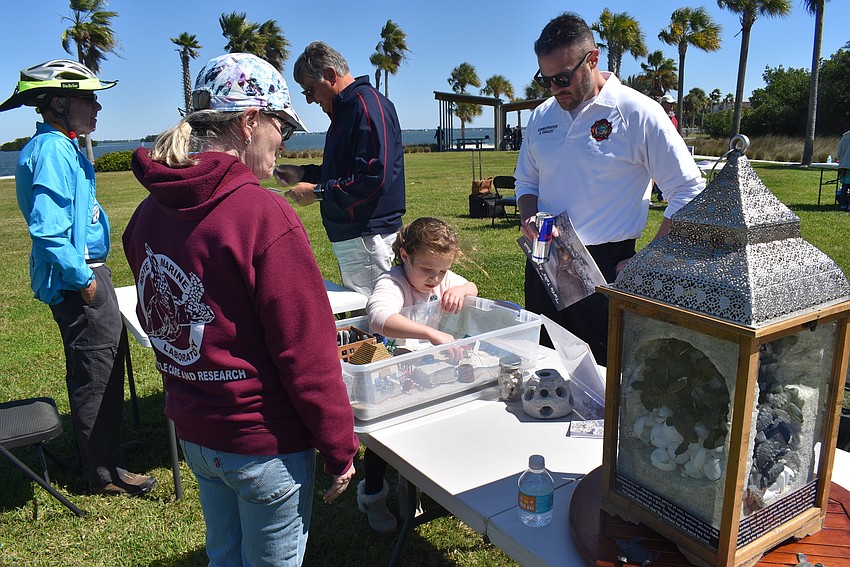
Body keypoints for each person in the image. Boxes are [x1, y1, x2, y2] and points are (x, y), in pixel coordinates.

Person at [122, 53, 359, 566]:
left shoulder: (147, 212)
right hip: (262, 440)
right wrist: (339, 443)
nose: (283, 146)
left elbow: (157, 319)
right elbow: (306, 349)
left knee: (224, 556)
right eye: (282, 129)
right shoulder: (262, 213)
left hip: (197, 433)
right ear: (250, 122)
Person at [0, 59, 156, 497]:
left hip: (88, 271)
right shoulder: (51, 150)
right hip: (78, 277)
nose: (98, 108)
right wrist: (82, 278)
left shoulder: (62, 145)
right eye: (89, 99)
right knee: (95, 371)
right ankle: (104, 472)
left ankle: (102, 449)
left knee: (102, 362)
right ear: (59, 103)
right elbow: (48, 229)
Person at [515, 13, 704, 365]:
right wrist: (528, 217)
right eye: (546, 79)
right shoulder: (543, 115)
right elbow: (526, 180)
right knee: (544, 366)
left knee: (604, 375)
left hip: (605, 267)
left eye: (562, 77)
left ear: (593, 60)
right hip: (544, 256)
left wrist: (648, 260)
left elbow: (689, 189)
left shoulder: (637, 112)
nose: (555, 89)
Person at [360, 217, 478, 534]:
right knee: (382, 440)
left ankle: (412, 487)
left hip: (427, 372)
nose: (435, 278)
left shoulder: (440, 277)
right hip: (388, 375)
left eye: (442, 271)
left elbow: (471, 286)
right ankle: (373, 497)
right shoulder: (393, 282)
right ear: (405, 256)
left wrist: (462, 288)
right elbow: (379, 318)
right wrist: (429, 333)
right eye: (428, 270)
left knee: (427, 430)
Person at [275, 41, 406, 297]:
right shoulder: (347, 109)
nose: (311, 100)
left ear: (330, 75)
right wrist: (303, 173)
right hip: (357, 238)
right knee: (369, 318)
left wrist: (318, 192)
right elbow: (345, 170)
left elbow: (374, 178)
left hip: (367, 236)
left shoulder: (365, 107)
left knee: (375, 320)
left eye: (310, 90)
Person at [837, 129, 850, 211]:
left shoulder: (845, 137)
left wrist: (842, 160)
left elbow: (839, 152)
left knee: (844, 186)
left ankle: (843, 204)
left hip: (845, 164)